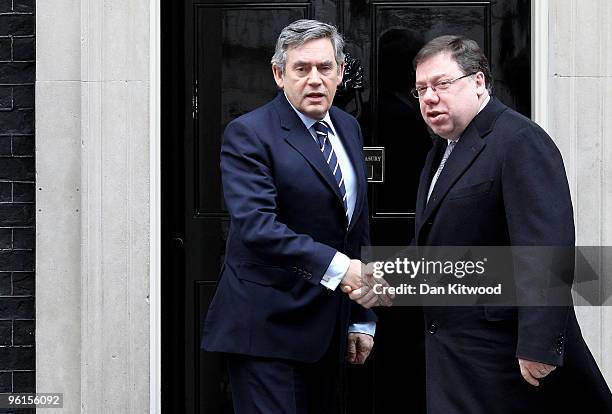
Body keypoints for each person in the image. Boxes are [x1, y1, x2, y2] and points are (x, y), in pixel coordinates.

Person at [396, 34, 612, 413]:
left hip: (504, 357)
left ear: (478, 82)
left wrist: (538, 346)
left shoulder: (519, 140)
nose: (429, 97)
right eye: (421, 89)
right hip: (454, 354)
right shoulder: (441, 151)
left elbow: (547, 247)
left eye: (442, 84)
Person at [201, 19, 384, 414]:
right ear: (279, 74)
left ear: (340, 72)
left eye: (325, 68)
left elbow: (356, 228)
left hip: (328, 329)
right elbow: (257, 226)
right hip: (266, 328)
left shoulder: (349, 128)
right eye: (301, 69)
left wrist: (359, 318)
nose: (315, 80)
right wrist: (341, 269)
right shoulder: (249, 133)